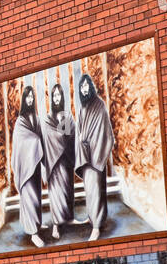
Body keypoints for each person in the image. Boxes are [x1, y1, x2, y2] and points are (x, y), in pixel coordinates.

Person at [74, 73, 115, 242]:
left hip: (95, 155)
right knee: (89, 191)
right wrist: (81, 146)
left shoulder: (100, 105)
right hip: (85, 155)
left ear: (90, 86)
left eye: (86, 86)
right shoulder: (83, 108)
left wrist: (94, 151)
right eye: (81, 87)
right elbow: (79, 130)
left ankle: (96, 227)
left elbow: (104, 132)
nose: (84, 89)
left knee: (96, 190)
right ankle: (93, 217)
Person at [10, 84, 46, 247]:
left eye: (32, 97)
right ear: (24, 100)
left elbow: (41, 138)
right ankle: (33, 233)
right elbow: (22, 141)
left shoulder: (36, 118)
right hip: (26, 167)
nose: (30, 100)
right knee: (30, 198)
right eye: (28, 97)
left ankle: (37, 224)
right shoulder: (20, 121)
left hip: (35, 164)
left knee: (37, 197)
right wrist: (36, 142)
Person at [41, 82, 76, 241]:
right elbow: (49, 139)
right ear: (51, 98)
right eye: (54, 95)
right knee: (55, 193)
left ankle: (68, 218)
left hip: (65, 161)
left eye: (58, 95)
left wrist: (63, 123)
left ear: (62, 97)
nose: (56, 98)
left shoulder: (67, 116)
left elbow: (69, 138)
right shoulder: (48, 119)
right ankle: (56, 224)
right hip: (54, 164)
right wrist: (59, 140)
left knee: (67, 190)